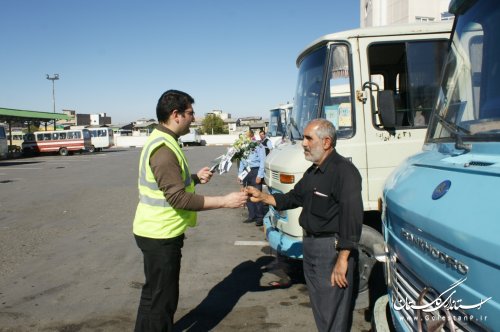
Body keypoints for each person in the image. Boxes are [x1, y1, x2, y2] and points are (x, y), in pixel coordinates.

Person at [133, 89, 248, 332]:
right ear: (176, 114)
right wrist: (225, 201)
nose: (193, 118)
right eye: (190, 113)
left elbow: (170, 183)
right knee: (162, 303)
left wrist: (195, 178)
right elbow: (178, 198)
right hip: (160, 235)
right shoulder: (163, 149)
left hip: (153, 230)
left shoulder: (164, 140)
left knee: (153, 297)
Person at [246, 118, 363, 332]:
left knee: (333, 312)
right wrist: (262, 197)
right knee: (321, 308)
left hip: (331, 250)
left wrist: (343, 259)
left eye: (309, 138)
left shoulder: (344, 172)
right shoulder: (313, 172)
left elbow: (352, 217)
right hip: (310, 247)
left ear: (326, 142)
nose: (304, 143)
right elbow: (292, 198)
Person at [238, 129, 266, 226]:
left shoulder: (258, 145)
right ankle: (252, 215)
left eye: (245, 136)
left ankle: (260, 217)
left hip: (255, 170)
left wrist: (260, 175)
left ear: (251, 136)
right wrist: (240, 174)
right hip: (246, 171)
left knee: (256, 194)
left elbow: (263, 160)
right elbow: (241, 161)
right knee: (247, 194)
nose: (244, 138)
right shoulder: (242, 146)